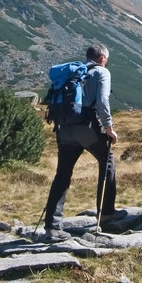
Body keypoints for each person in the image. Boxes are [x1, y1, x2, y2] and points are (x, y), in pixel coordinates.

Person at [41, 43, 121, 242]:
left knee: (63, 174)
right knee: (107, 161)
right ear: (102, 58)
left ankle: (52, 226)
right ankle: (107, 214)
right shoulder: (102, 72)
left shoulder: (74, 73)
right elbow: (102, 101)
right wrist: (109, 128)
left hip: (64, 128)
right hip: (86, 125)